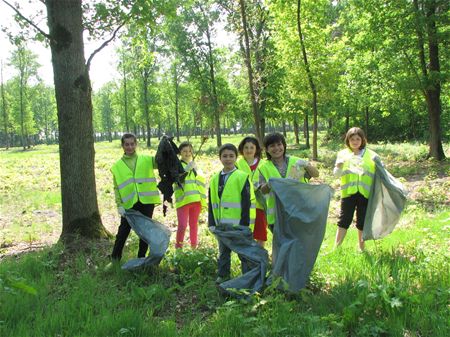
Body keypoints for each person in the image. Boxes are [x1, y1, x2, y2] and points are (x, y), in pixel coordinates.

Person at [208, 143, 255, 283]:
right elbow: (211, 203)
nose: (228, 159)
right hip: (221, 225)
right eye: (224, 156)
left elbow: (247, 203)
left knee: (243, 253)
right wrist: (212, 222)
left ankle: (247, 277)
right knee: (223, 252)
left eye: (231, 156)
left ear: (236, 158)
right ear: (220, 158)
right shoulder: (215, 179)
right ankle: (223, 275)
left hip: (239, 225)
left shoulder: (242, 177)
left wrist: (245, 225)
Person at [110, 133, 160, 261]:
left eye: (132, 144)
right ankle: (115, 259)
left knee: (145, 232)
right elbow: (117, 188)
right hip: (129, 203)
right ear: (122, 146)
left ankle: (141, 258)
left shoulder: (147, 159)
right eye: (127, 144)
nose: (130, 147)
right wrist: (119, 205)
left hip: (146, 201)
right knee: (123, 232)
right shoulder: (117, 167)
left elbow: (161, 161)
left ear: (136, 144)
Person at [258, 132, 319, 231]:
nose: (277, 148)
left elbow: (316, 174)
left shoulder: (296, 162)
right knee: (282, 246)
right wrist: (269, 184)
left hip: (298, 212)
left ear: (284, 145)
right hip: (277, 216)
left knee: (299, 244)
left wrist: (307, 165)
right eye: (272, 146)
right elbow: (262, 191)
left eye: (279, 144)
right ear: (267, 149)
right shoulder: (263, 168)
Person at [333, 127, 378, 251]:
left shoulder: (372, 155)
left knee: (362, 222)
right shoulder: (343, 154)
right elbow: (336, 174)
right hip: (348, 194)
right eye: (352, 139)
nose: (355, 141)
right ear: (348, 140)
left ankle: (362, 249)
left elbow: (381, 173)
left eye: (358, 139)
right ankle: (336, 248)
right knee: (344, 220)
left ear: (363, 140)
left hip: (365, 194)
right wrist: (339, 166)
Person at [236, 136, 268, 247]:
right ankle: (247, 257)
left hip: (260, 204)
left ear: (256, 149)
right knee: (245, 232)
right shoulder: (237, 164)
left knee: (260, 232)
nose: (249, 150)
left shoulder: (264, 164)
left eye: (251, 147)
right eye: (246, 147)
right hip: (243, 204)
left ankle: (260, 256)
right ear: (241, 149)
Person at [174, 141, 207, 249]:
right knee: (182, 226)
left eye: (189, 151)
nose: (187, 153)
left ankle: (194, 247)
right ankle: (178, 249)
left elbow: (200, 182)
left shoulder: (195, 166)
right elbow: (177, 179)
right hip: (184, 201)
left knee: (194, 225)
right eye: (184, 151)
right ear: (180, 153)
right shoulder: (177, 166)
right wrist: (185, 170)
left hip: (196, 200)